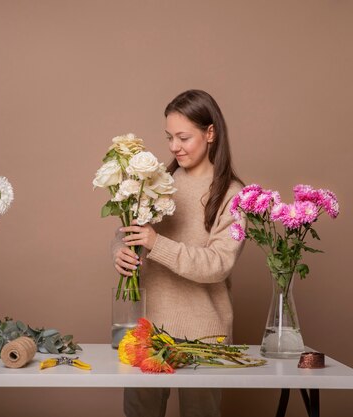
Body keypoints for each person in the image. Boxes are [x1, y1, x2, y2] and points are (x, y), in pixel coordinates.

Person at [112, 89, 246, 417]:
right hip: (146, 329)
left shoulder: (233, 194)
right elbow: (127, 230)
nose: (174, 147)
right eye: (169, 137)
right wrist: (120, 250)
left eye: (184, 137)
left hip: (205, 334)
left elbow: (219, 263)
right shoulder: (157, 182)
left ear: (210, 133)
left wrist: (157, 244)